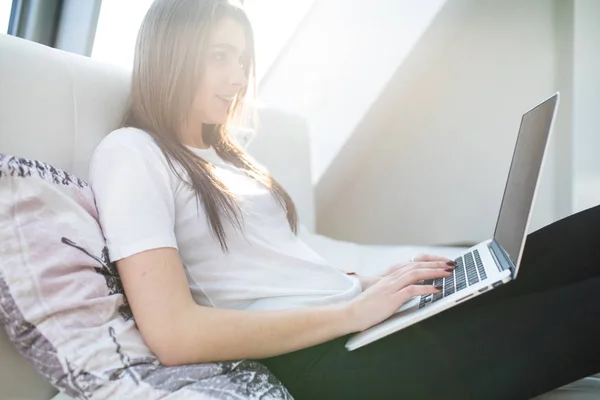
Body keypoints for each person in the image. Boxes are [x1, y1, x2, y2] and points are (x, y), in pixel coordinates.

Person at [89, 0, 600, 399]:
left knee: (578, 239)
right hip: (332, 364)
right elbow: (174, 334)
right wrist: (354, 313)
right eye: (219, 56)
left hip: (358, 323)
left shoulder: (225, 154)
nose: (239, 78)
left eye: (242, 59)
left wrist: (372, 284)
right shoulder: (131, 153)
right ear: (170, 52)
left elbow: (272, 271)